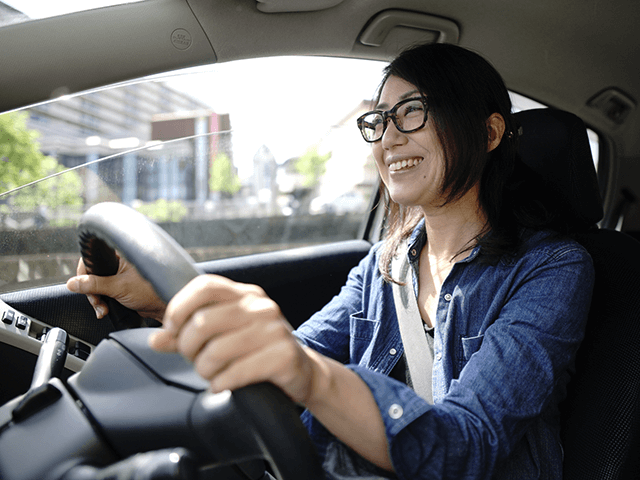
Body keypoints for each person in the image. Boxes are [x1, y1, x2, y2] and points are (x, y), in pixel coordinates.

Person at [66, 43, 595, 479]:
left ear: (489, 133)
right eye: (379, 120)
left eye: (412, 111)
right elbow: (291, 356)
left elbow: (466, 446)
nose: (388, 138)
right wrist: (168, 302)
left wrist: (312, 379)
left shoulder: (552, 270)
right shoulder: (385, 264)